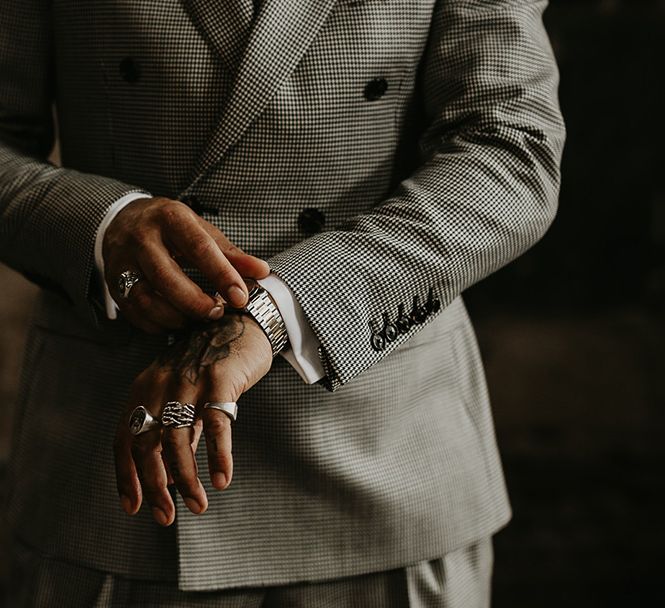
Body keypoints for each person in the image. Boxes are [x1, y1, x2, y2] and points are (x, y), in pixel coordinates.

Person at [0, 0, 564, 605]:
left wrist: (279, 309)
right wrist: (101, 225)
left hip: (387, 456)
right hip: (121, 468)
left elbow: (512, 148)